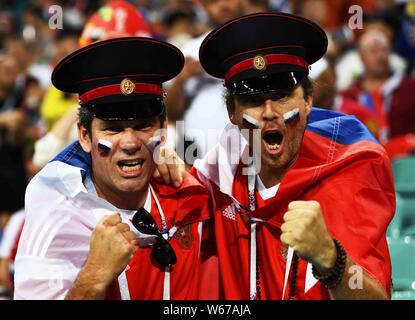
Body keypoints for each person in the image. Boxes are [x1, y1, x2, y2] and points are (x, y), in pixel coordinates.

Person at [190, 12, 394, 299]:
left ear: (308, 100)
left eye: (283, 95)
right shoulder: (217, 176)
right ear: (232, 113)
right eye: (253, 100)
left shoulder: (352, 168)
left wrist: (331, 259)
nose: (270, 112)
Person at [13, 37, 210, 300]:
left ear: (163, 131)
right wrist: (92, 280)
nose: (130, 143)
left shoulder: (191, 197)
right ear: (84, 136)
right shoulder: (57, 216)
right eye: (113, 129)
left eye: (143, 126)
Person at [337, 29, 415, 160]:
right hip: (363, 162)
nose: (381, 56)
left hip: (406, 163)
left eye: (384, 50)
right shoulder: (348, 96)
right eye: (373, 51)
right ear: (361, 57)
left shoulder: (409, 88)